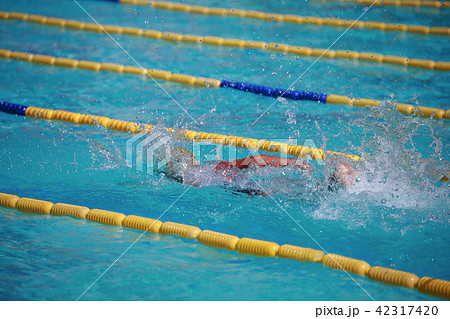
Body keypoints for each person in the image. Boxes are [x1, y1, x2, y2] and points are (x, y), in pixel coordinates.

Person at [162, 147, 356, 195]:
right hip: (242, 186)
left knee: (292, 192)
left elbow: (253, 161)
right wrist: (291, 162)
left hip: (241, 189)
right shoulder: (216, 166)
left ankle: (331, 184)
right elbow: (254, 160)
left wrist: (291, 162)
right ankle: (331, 183)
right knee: (295, 189)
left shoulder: (195, 179)